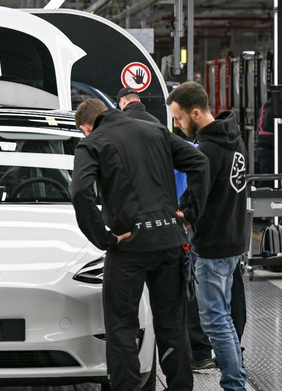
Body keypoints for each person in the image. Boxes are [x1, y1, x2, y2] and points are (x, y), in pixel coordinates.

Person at [70, 99, 210, 391]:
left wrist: (104, 238)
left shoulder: (92, 143)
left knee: (123, 327)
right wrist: (189, 213)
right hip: (171, 243)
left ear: (86, 127)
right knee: (172, 325)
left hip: (129, 249)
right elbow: (200, 162)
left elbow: (81, 192)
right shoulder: (155, 131)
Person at [167, 82, 250, 391]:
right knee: (226, 318)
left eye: (178, 118)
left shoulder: (207, 152)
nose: (177, 125)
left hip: (213, 248)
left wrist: (180, 214)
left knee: (216, 322)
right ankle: (235, 381)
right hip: (232, 242)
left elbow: (194, 202)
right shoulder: (234, 141)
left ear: (196, 112)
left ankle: (233, 384)